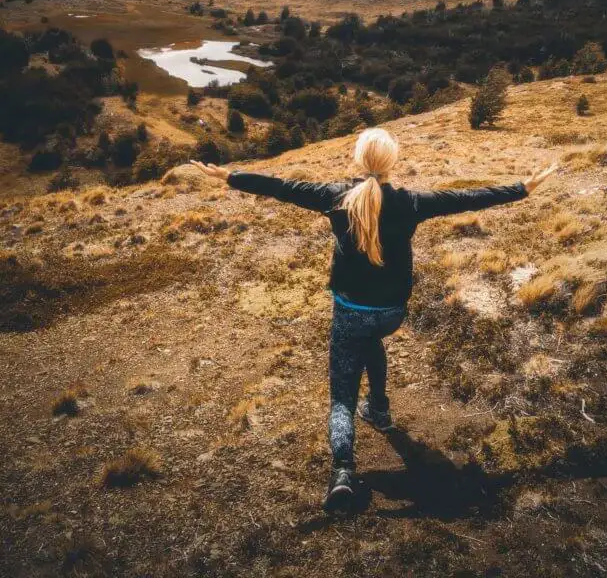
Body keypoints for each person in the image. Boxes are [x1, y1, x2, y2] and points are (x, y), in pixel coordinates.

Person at [191, 128, 557, 511]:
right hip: (391, 312)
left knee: (341, 400)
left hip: (351, 312)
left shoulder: (334, 197)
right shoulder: (412, 202)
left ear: (357, 159)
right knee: (372, 341)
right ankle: (379, 410)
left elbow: (281, 187)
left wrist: (229, 177)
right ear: (391, 162)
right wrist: (522, 188)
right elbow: (465, 198)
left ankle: (343, 472)